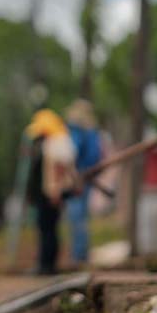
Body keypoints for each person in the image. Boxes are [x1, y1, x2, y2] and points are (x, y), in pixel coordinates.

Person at [25, 109, 76, 276]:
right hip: (49, 191)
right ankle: (46, 263)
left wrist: (56, 192)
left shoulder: (56, 142)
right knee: (47, 228)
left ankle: (47, 265)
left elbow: (59, 169)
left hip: (51, 192)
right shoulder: (56, 141)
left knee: (48, 228)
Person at [63, 99, 102, 267]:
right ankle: (82, 253)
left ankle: (78, 255)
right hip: (88, 176)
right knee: (82, 216)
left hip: (77, 176)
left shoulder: (77, 131)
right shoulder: (92, 131)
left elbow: (71, 152)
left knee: (76, 216)